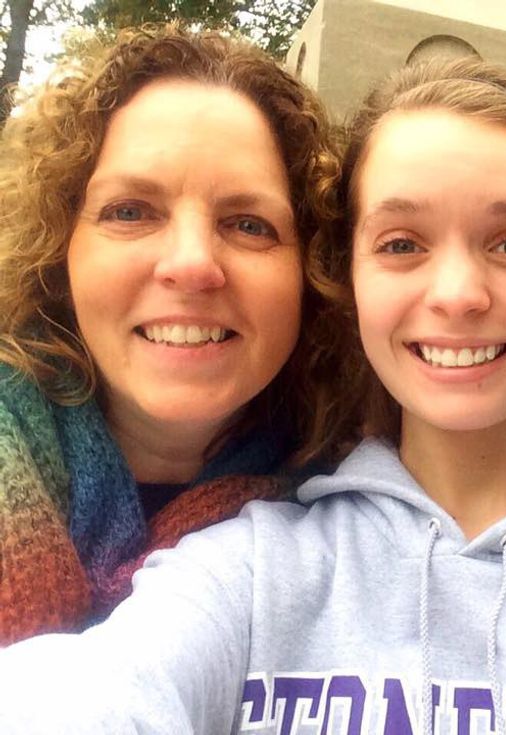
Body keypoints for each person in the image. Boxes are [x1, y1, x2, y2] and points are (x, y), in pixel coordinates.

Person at [0, 58, 506, 734]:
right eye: (402, 243)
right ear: (348, 275)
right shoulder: (252, 560)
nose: (459, 293)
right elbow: (103, 691)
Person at [0, 25, 358, 643]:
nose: (192, 264)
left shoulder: (365, 516)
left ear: (313, 273)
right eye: (130, 212)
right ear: (59, 250)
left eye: (249, 224)